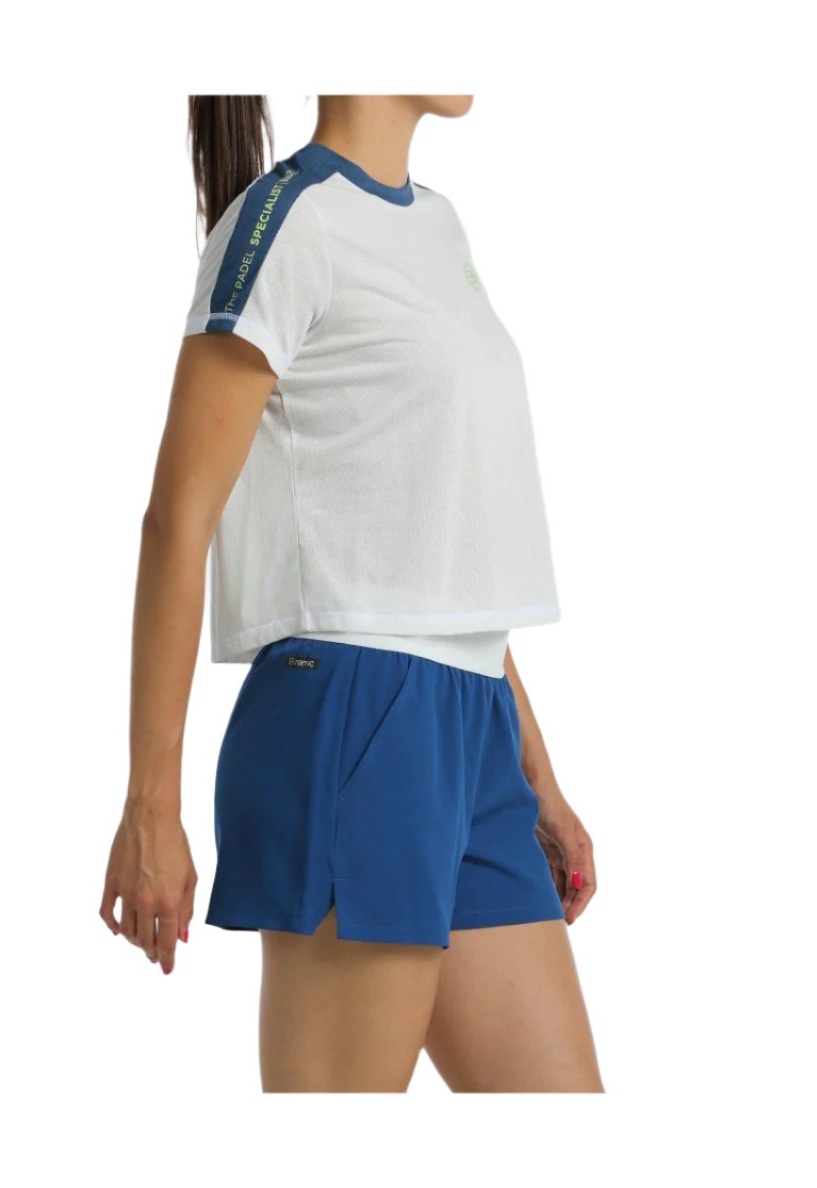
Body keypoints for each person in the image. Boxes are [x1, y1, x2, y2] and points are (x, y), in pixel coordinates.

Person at [99, 95, 604, 1093]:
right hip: (355, 719)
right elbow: (177, 521)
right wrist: (150, 803)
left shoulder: (438, 224)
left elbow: (433, 543)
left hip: (472, 730)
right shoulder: (286, 220)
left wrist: (534, 771)